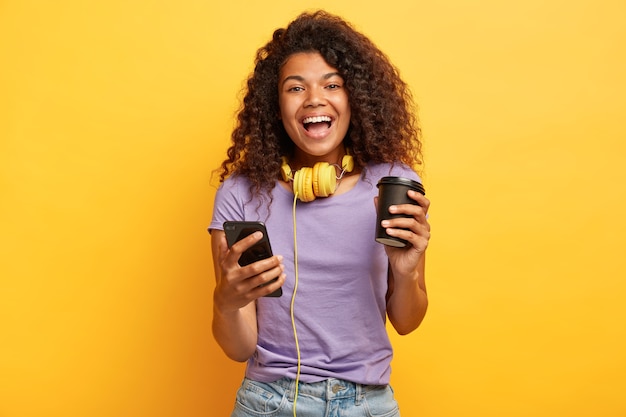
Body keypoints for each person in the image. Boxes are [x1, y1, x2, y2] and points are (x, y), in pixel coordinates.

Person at [209, 10, 431, 416]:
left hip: (367, 404)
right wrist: (226, 301)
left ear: (355, 98)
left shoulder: (392, 185)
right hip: (268, 402)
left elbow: (406, 321)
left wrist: (406, 271)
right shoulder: (239, 193)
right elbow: (238, 348)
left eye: (333, 84)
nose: (315, 98)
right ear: (276, 107)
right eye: (296, 88)